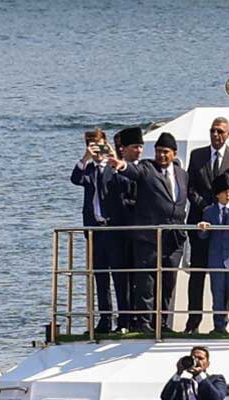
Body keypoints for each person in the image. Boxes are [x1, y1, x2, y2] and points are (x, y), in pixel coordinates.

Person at [110, 132, 188, 333]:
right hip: (148, 237)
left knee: (168, 281)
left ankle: (161, 322)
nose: (161, 156)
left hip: (174, 238)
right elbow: (132, 171)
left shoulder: (182, 174)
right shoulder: (147, 168)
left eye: (165, 152)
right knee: (146, 281)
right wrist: (120, 165)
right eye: (158, 151)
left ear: (174, 153)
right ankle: (144, 323)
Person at [186, 117, 229, 334]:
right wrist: (207, 209)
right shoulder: (197, 155)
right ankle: (193, 322)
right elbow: (190, 187)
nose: (216, 135)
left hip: (227, 226)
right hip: (202, 222)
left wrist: (227, 212)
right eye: (213, 131)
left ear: (228, 134)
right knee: (198, 273)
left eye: (220, 131)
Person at [70, 128, 127, 333]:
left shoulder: (113, 167)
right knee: (100, 277)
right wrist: (86, 157)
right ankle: (105, 319)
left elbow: (125, 185)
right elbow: (75, 179)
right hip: (95, 231)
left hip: (113, 229)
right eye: (90, 144)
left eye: (98, 143)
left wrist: (112, 156)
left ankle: (123, 319)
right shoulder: (89, 170)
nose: (96, 148)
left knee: (119, 277)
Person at [197, 173, 229, 334]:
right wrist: (203, 226)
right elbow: (202, 236)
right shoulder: (209, 211)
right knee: (217, 294)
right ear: (217, 194)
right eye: (225, 192)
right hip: (216, 259)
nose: (228, 195)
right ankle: (218, 325)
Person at [113, 126, 146, 332]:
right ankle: (123, 318)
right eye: (135, 147)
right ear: (123, 149)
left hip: (140, 232)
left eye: (141, 147)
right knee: (121, 278)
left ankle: (139, 317)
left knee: (139, 277)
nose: (139, 151)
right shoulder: (113, 171)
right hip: (119, 231)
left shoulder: (144, 169)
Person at [160, 346, 226, 400]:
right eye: (193, 358)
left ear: (207, 364)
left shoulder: (217, 379)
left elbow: (216, 398)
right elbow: (165, 397)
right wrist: (178, 373)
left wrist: (199, 375)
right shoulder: (182, 382)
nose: (196, 361)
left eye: (200, 358)